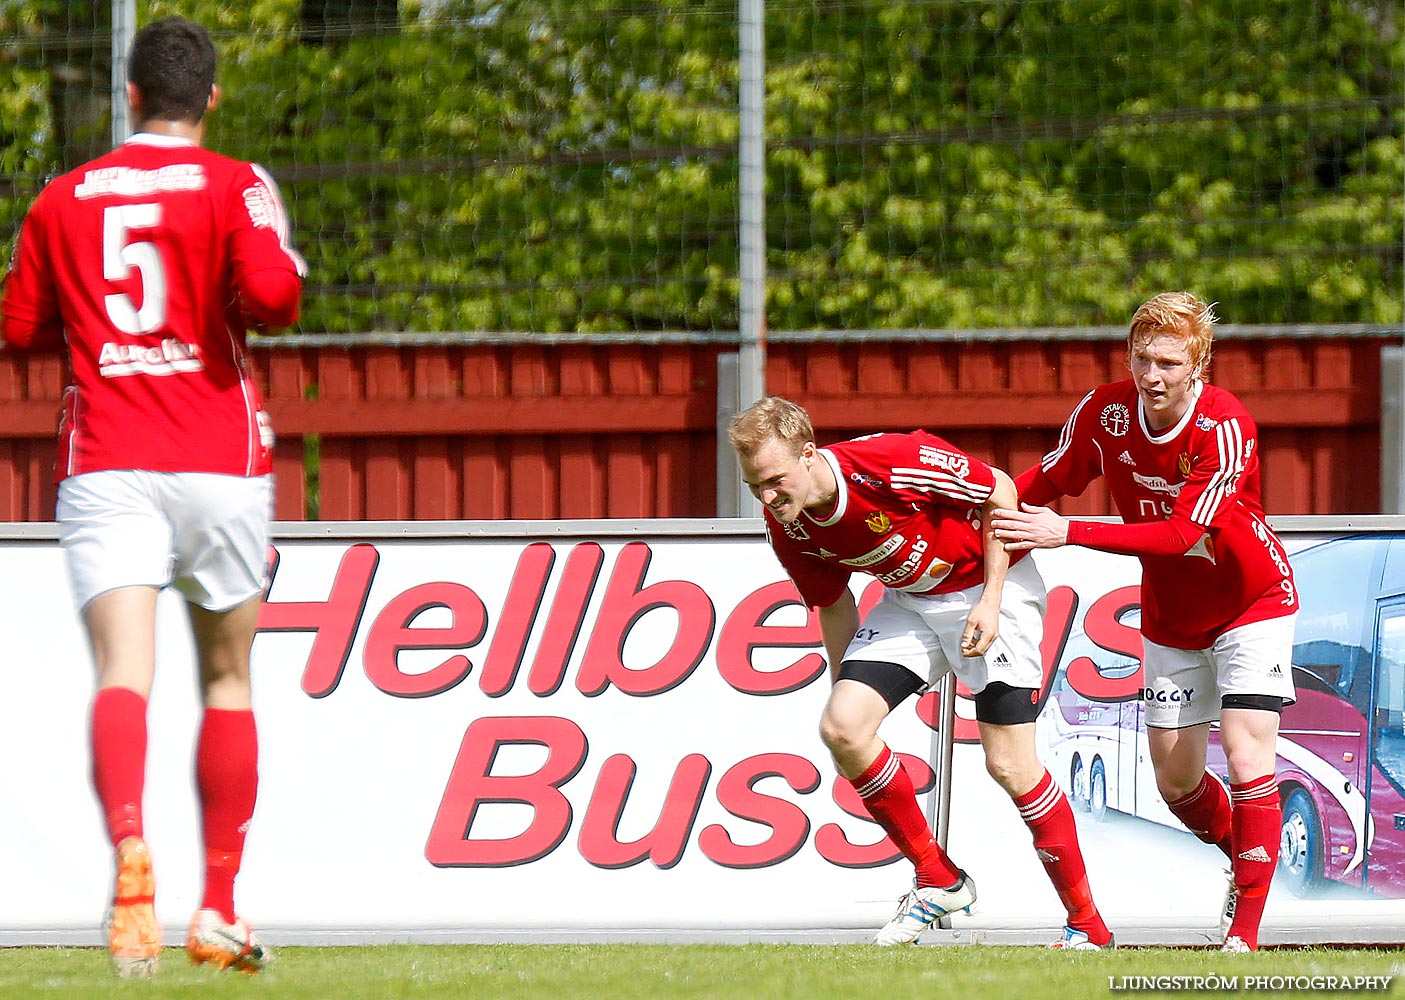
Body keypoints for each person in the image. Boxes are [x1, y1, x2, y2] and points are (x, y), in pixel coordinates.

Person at [0, 16, 305, 978]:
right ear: (208, 98)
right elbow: (276, 299)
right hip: (217, 457)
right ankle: (218, 907)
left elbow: (17, 326)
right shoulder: (236, 183)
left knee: (123, 676)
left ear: (127, 95)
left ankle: (129, 847)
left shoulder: (64, 196)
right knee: (226, 679)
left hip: (107, 456)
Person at [728, 396, 1113, 949]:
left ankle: (1089, 926)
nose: (767, 497)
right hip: (911, 600)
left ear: (809, 455)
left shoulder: (888, 462)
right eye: (755, 487)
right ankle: (938, 878)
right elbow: (835, 605)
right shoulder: (786, 524)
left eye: (774, 480)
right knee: (842, 727)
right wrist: (852, 691)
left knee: (1009, 765)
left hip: (989, 587)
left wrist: (992, 598)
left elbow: (1000, 488)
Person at [990, 291, 1297, 953]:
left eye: (1167, 362)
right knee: (1175, 782)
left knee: (1247, 758)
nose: (1151, 376)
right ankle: (1242, 855)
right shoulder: (1103, 413)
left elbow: (1184, 533)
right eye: (1140, 359)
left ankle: (1242, 936)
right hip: (1170, 617)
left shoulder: (1223, 425)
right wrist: (987, 508)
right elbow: (1047, 477)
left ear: (1198, 366)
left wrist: (1066, 532)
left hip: (1252, 602)